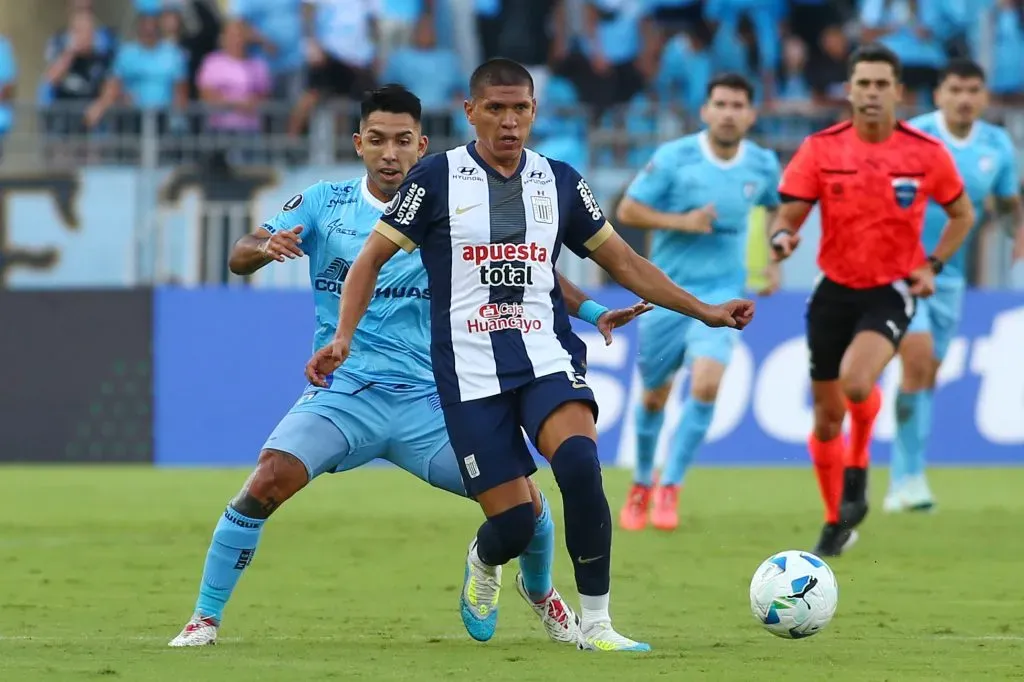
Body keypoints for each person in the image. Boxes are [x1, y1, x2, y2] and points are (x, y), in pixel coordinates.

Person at [169, 84, 647, 647]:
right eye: (377, 140)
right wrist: (264, 247)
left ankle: (543, 596)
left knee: (526, 504)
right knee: (266, 480)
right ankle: (204, 617)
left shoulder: (447, 198)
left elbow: (526, 268)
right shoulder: (325, 202)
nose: (389, 153)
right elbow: (242, 249)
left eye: (401, 141)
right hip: (346, 391)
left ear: (421, 146)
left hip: (434, 399)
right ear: (358, 144)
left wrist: (592, 310)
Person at [306, 58, 755, 652]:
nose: (509, 121)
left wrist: (705, 311)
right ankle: (485, 561)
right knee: (516, 523)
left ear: (535, 111)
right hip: (469, 373)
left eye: (520, 108)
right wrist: (343, 336)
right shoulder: (435, 180)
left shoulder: (562, 182)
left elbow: (626, 264)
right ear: (470, 112)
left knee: (578, 467)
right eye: (495, 108)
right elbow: (367, 261)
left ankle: (596, 625)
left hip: (545, 354)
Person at [769, 44, 975, 557]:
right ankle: (835, 518)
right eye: (863, 83)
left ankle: (858, 468)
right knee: (824, 418)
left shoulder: (925, 153)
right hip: (833, 288)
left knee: (858, 384)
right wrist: (782, 237)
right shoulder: (821, 148)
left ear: (899, 92)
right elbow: (789, 213)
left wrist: (933, 266)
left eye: (882, 84)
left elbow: (963, 215)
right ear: (850, 90)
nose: (872, 93)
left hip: (890, 290)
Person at [616, 72, 782, 532]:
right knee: (654, 398)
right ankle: (641, 484)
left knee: (707, 384)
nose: (728, 113)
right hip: (666, 292)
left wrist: (773, 260)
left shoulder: (763, 164)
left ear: (750, 114)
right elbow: (628, 210)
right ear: (706, 110)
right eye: (721, 104)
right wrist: (681, 222)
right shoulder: (675, 158)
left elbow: (776, 207)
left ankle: (671, 486)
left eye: (737, 106)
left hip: (722, 293)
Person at [887, 60, 1022, 512]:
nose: (965, 99)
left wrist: (1015, 232)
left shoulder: (996, 145)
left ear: (984, 97)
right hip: (902, 269)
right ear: (939, 94)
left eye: (973, 90)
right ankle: (909, 479)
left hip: (951, 275)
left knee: (927, 373)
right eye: (955, 89)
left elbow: (1005, 204)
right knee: (919, 357)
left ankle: (906, 473)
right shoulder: (912, 137)